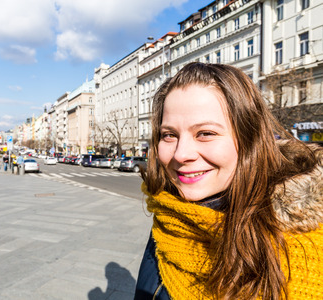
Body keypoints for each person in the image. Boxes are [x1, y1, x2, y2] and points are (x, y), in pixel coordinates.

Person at [134, 63, 322, 300]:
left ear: (249, 138)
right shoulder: (168, 215)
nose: (181, 154)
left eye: (205, 133)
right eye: (169, 135)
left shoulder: (306, 244)